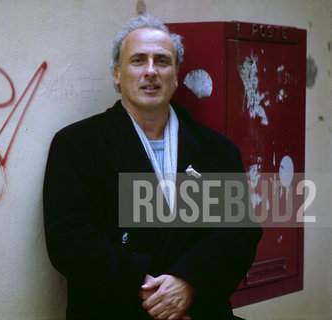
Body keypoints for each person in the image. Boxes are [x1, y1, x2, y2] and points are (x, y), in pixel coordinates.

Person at [43, 14, 262, 320]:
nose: (150, 71)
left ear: (175, 73)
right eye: (137, 60)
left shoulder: (218, 150)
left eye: (162, 61)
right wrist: (150, 292)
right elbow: (70, 238)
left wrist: (188, 283)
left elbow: (239, 234)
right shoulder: (76, 146)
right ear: (117, 74)